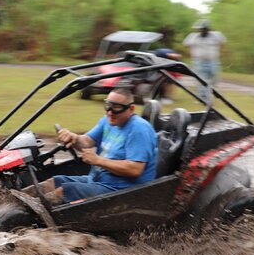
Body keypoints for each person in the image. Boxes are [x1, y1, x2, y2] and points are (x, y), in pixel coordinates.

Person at [25, 88, 158, 205]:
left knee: (64, 191)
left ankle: (24, 219)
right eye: (108, 105)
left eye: (117, 107)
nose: (110, 112)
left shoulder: (139, 129)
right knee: (51, 183)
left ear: (131, 109)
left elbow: (135, 169)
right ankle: (10, 202)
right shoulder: (108, 121)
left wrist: (98, 160)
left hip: (123, 190)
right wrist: (74, 138)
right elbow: (87, 141)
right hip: (98, 180)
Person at [182, 19, 226, 102]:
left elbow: (223, 42)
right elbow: (185, 44)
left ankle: (210, 92)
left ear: (207, 29)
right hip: (199, 61)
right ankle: (203, 97)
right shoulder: (193, 36)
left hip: (213, 61)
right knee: (201, 79)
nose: (200, 31)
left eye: (202, 29)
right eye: (199, 29)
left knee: (214, 77)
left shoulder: (216, 35)